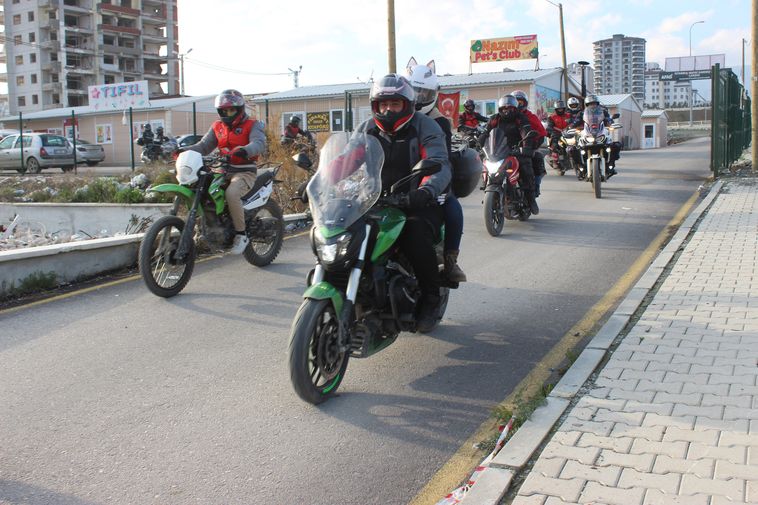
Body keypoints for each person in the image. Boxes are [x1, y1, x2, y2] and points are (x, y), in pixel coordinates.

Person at [354, 73, 451, 332]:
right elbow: (346, 160)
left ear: (406, 104)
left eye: (394, 104)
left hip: (415, 201)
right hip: (373, 201)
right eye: (382, 104)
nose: (388, 109)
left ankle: (430, 299)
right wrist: (318, 184)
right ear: (375, 105)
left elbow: (438, 162)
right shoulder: (366, 129)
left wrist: (425, 190)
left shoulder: (424, 126)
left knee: (415, 233)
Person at [182, 89, 266, 254]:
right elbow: (203, 146)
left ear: (240, 109)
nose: (228, 113)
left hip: (244, 171)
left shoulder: (252, 124)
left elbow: (259, 143)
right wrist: (183, 150)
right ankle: (209, 227)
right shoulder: (217, 127)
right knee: (202, 189)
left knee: (232, 193)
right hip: (222, 169)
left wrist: (244, 150)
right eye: (224, 110)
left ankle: (241, 235)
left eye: (231, 110)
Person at [407, 57, 466, 283]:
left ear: (434, 94)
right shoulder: (397, 113)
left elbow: (440, 156)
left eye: (424, 93)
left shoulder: (439, 121)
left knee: (452, 207)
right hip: (400, 178)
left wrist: (434, 181)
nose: (420, 97)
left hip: (431, 175)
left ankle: (450, 260)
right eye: (416, 91)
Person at [479, 94, 539, 214]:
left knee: (526, 166)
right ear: (500, 109)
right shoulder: (495, 119)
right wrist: (479, 143)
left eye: (510, 108)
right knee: (485, 165)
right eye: (504, 108)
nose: (507, 111)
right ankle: (488, 190)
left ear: (515, 109)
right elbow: (486, 133)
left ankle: (530, 198)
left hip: (515, 150)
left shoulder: (520, 118)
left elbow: (525, 131)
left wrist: (526, 147)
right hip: (497, 151)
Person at [511, 90, 547, 202]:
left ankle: (533, 190)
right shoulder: (505, 116)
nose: (518, 105)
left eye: (520, 102)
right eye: (515, 102)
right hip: (508, 149)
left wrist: (533, 146)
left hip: (526, 148)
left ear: (525, 103)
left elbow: (542, 133)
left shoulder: (531, 117)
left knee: (537, 159)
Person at [583, 94, 620, 177]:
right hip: (588, 135)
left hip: (601, 134)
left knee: (615, 146)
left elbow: (609, 119)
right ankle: (581, 167)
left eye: (594, 103)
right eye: (591, 103)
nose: (593, 105)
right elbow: (576, 121)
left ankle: (611, 165)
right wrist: (573, 127)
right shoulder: (582, 113)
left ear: (597, 104)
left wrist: (611, 124)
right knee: (577, 148)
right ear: (587, 105)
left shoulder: (603, 111)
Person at [546, 100, 570, 169]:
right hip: (557, 134)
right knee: (555, 144)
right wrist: (552, 130)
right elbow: (549, 126)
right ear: (556, 109)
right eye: (559, 109)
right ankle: (555, 161)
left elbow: (573, 122)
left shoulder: (568, 115)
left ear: (564, 109)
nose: (560, 110)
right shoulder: (552, 117)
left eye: (561, 108)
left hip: (567, 133)